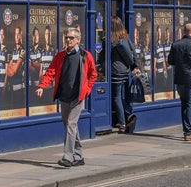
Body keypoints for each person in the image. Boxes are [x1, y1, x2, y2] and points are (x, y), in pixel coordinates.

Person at [36, 26, 96, 167]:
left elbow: (93, 74)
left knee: (71, 124)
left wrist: (86, 90)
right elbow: (51, 71)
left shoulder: (85, 56)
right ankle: (79, 156)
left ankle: (68, 157)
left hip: (77, 97)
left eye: (71, 38)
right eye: (66, 37)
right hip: (64, 96)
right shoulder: (60, 56)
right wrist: (42, 86)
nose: (68, 40)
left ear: (78, 40)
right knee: (70, 126)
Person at [109, 17, 140, 133]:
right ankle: (129, 115)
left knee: (116, 97)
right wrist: (134, 66)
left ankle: (122, 122)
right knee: (118, 96)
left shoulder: (115, 40)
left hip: (116, 71)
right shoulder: (125, 37)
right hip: (125, 71)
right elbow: (133, 52)